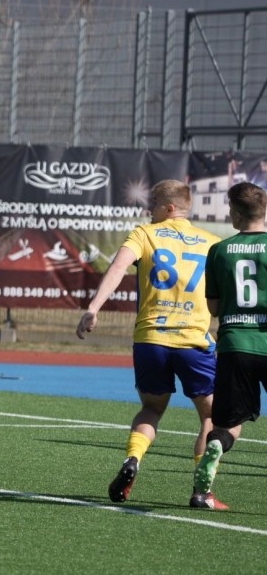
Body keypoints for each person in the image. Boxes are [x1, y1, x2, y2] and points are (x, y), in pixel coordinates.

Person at [76, 179, 219, 504]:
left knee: (152, 408)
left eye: (152, 202)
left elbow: (118, 267)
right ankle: (202, 491)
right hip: (194, 342)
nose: (147, 209)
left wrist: (93, 308)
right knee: (211, 417)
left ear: (169, 208)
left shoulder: (144, 234)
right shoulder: (212, 242)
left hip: (151, 340)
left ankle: (133, 459)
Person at [191, 181, 267, 510]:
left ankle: (204, 484)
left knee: (227, 424)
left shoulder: (219, 251)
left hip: (234, 344)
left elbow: (213, 307)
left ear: (235, 213)